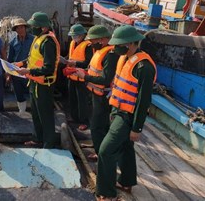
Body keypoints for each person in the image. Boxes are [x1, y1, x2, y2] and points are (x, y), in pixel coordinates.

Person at [95, 25, 156, 201]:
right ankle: (126, 181)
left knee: (106, 151)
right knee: (125, 147)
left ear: (129, 44)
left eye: (118, 44)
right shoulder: (126, 59)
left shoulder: (144, 67)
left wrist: (137, 128)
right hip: (117, 110)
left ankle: (107, 193)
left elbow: (143, 101)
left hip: (127, 116)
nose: (114, 48)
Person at [75, 25, 119, 161]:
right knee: (99, 125)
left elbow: (106, 79)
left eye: (93, 41)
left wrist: (85, 77)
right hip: (95, 93)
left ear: (102, 39)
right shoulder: (101, 51)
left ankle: (101, 154)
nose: (91, 43)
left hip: (103, 96)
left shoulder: (110, 55)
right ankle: (98, 147)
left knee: (97, 126)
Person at [17, 12, 60, 149]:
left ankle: (48, 143)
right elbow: (34, 59)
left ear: (43, 28)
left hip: (44, 85)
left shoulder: (48, 43)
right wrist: (21, 64)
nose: (31, 28)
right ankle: (38, 139)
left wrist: (28, 71)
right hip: (34, 83)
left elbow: (48, 67)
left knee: (45, 115)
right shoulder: (38, 38)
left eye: (33, 26)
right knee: (36, 114)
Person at [65, 24, 93, 130]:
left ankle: (84, 121)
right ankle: (75, 118)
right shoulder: (73, 43)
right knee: (72, 99)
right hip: (72, 76)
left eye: (75, 36)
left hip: (82, 78)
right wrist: (64, 60)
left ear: (81, 36)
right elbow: (70, 56)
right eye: (72, 36)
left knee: (82, 101)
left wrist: (75, 63)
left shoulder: (88, 46)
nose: (73, 38)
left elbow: (87, 62)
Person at [7, 17, 34, 113]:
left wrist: (23, 63)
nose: (20, 30)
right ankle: (22, 111)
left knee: (32, 91)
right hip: (16, 72)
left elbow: (35, 56)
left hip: (30, 71)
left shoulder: (33, 40)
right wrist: (9, 74)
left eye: (22, 27)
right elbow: (10, 59)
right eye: (17, 28)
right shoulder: (13, 42)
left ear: (25, 28)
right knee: (18, 92)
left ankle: (35, 110)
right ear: (15, 30)